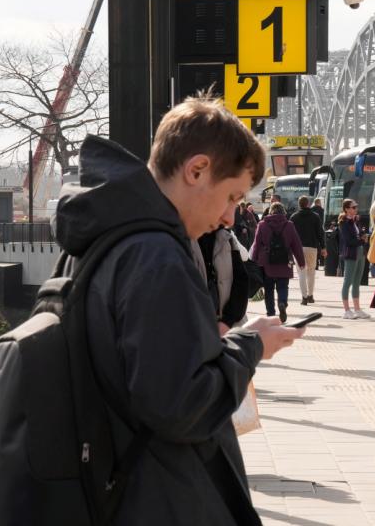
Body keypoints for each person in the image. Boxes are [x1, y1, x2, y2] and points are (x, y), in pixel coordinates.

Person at [44, 96, 305, 525]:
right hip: (156, 495)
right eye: (231, 196)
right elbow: (182, 407)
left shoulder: (102, 237)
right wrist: (250, 348)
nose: (228, 217)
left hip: (109, 485)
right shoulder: (157, 258)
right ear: (197, 170)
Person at [250, 202, 305, 322]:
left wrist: (253, 260)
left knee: (268, 289)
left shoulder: (262, 224)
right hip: (284, 261)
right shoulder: (289, 225)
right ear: (283, 212)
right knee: (283, 286)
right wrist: (301, 262)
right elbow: (296, 244)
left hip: (267, 262)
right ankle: (282, 303)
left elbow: (256, 244)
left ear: (270, 212)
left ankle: (271, 314)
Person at [196, 227, 251, 333]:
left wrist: (227, 321)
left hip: (227, 325)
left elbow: (242, 279)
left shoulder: (225, 237)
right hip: (199, 328)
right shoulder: (181, 240)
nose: (230, 220)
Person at [338, 198, 371, 319]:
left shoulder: (356, 221)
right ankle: (347, 310)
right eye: (353, 207)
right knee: (348, 281)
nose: (356, 209)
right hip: (351, 254)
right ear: (346, 209)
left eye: (356, 206)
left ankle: (357, 309)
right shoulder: (344, 222)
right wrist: (361, 239)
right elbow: (349, 241)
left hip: (360, 252)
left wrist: (363, 237)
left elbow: (357, 237)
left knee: (357, 281)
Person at [291, 195, 326, 305]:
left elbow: (290, 235)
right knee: (311, 272)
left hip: (298, 249)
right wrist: (323, 247)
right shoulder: (315, 216)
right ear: (308, 204)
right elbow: (320, 233)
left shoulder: (294, 217)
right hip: (312, 247)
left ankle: (304, 297)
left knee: (301, 273)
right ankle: (311, 295)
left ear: (299, 204)